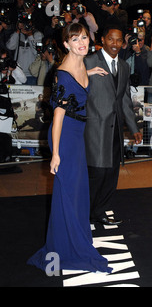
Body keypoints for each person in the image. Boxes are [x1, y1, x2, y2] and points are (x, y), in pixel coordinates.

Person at [27, 23, 112, 273]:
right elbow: (58, 116)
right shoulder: (63, 74)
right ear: (66, 44)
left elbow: (81, 78)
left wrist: (91, 71)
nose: (82, 43)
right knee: (67, 193)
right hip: (64, 137)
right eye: (75, 40)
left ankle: (74, 240)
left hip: (77, 134)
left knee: (77, 192)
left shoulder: (81, 64)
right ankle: (67, 248)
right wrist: (55, 154)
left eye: (84, 38)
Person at [84, 25, 142, 226]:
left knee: (111, 172)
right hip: (94, 128)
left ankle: (99, 213)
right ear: (102, 39)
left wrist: (133, 128)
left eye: (119, 40)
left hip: (115, 129)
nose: (115, 44)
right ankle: (83, 216)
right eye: (111, 39)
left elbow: (125, 100)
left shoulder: (125, 66)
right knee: (97, 172)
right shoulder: (89, 61)